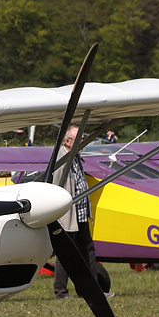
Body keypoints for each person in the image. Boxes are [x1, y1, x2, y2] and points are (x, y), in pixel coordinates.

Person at [51, 126, 110, 300]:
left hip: (81, 213)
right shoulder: (61, 160)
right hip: (67, 215)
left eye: (83, 138)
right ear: (68, 142)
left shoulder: (76, 157)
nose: (83, 142)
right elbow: (55, 188)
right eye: (79, 139)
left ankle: (91, 291)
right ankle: (60, 292)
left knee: (88, 249)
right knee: (66, 253)